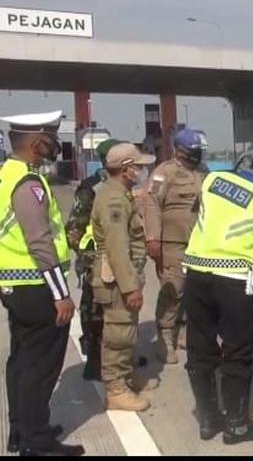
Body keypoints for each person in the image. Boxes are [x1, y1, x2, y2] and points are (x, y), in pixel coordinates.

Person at [182, 136, 253, 444]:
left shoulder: (213, 179)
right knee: (238, 351)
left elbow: (197, 221)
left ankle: (207, 420)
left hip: (195, 275)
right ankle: (237, 426)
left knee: (199, 347)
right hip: (234, 283)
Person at [0, 110, 85, 456]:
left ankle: (22, 429)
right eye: (51, 137)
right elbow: (39, 242)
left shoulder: (7, 174)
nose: (56, 144)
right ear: (37, 142)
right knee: (40, 366)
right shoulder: (29, 184)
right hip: (37, 287)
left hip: (15, 286)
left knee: (21, 360)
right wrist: (61, 293)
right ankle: (37, 443)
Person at [91, 143, 158, 411]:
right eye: (139, 166)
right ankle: (116, 389)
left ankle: (126, 377)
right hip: (116, 278)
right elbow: (118, 247)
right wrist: (131, 288)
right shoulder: (114, 199)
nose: (142, 171)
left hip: (122, 274)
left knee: (126, 330)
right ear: (127, 169)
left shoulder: (120, 193)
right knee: (118, 333)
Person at [145, 128, 208, 365]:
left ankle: (182, 331)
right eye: (193, 151)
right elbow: (151, 204)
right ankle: (164, 336)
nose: (197, 156)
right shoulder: (165, 173)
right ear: (179, 150)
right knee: (173, 290)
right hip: (172, 243)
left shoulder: (203, 172)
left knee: (194, 292)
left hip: (198, 244)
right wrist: (153, 238)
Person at [65, 138, 121, 381]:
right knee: (94, 311)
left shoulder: (123, 185)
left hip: (118, 257)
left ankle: (118, 358)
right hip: (96, 259)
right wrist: (88, 259)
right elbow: (74, 229)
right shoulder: (91, 187)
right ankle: (95, 360)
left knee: (119, 312)